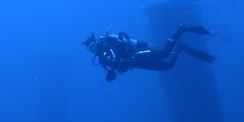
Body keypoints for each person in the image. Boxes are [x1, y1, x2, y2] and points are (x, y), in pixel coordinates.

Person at [83, 25, 215, 82]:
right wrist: (111, 75)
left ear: (96, 42)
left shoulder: (107, 42)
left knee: (164, 52)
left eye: (93, 45)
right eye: (90, 49)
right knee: (167, 66)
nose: (93, 49)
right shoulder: (101, 59)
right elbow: (115, 70)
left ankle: (181, 29)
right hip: (134, 63)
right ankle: (180, 46)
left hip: (135, 54)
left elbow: (116, 52)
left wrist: (113, 65)